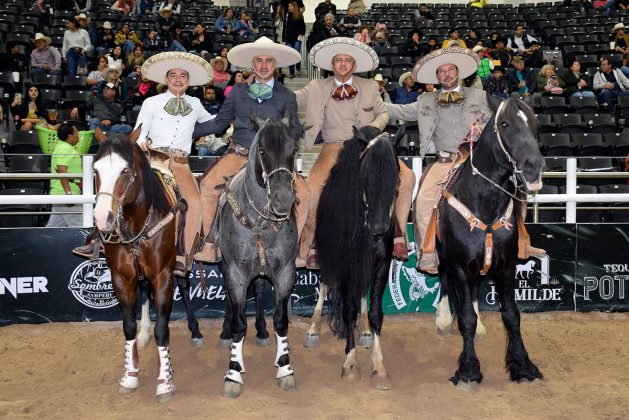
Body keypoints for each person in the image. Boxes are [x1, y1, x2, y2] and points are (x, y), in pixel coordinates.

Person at [384, 47, 544, 273]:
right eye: (441, 71)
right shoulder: (425, 100)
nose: (446, 74)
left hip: (476, 160)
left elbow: (500, 120)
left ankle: (521, 242)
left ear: (458, 72)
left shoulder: (480, 96)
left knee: (516, 190)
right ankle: (427, 252)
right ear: (436, 77)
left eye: (450, 69)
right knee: (423, 198)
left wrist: (483, 129)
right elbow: (399, 111)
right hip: (445, 160)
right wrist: (372, 104)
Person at [74, 52, 214, 277]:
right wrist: (143, 143)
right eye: (173, 75)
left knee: (195, 204)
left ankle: (181, 257)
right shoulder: (152, 102)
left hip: (180, 163)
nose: (178, 79)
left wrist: (228, 118)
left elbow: (212, 124)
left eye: (183, 76)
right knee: (125, 193)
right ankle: (98, 238)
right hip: (155, 160)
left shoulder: (196, 104)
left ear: (188, 80)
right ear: (166, 79)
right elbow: (140, 131)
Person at [296, 37, 416, 268]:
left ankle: (398, 235)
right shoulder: (315, 87)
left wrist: (374, 128)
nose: (342, 64)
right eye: (338, 60)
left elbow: (383, 114)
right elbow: (289, 100)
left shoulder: (370, 87)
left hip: (366, 143)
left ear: (354, 65)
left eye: (347, 60)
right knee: (311, 189)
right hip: (333, 146)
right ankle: (312, 244)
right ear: (331, 65)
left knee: (407, 178)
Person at [191, 37, 308, 265]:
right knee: (207, 186)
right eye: (259, 61)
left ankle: (295, 250)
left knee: (304, 195)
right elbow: (219, 123)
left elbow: (294, 130)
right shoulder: (237, 91)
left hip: (273, 159)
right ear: (252, 65)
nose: (264, 65)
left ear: (275, 65)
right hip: (240, 152)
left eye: (269, 61)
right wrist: (188, 131)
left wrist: (284, 139)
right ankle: (210, 244)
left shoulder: (287, 95)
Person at [46, 123, 89, 228]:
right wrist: (68, 195)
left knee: (52, 229)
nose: (78, 135)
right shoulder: (65, 148)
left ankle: (40, 244)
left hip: (60, 194)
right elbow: (61, 170)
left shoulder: (62, 146)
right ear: (69, 136)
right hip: (66, 195)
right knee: (82, 228)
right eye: (76, 132)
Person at [282, 0, 306, 79]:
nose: (289, 8)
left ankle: (298, 67)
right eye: (288, 6)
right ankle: (292, 73)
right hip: (288, 39)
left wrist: (301, 34)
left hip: (297, 38)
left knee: (296, 53)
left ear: (294, 7)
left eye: (291, 6)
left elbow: (303, 27)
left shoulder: (299, 15)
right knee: (290, 56)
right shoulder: (286, 16)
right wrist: (283, 40)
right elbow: (284, 29)